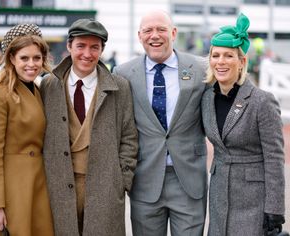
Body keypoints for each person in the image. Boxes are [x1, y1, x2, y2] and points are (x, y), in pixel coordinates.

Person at [40, 18, 138, 236]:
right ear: (69, 46)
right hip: (57, 184)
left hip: (106, 187)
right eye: (80, 46)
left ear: (102, 50)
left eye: (95, 47)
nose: (87, 53)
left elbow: (129, 137)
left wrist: (121, 180)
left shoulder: (119, 87)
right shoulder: (49, 84)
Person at [113, 10, 208, 236]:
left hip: (188, 180)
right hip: (145, 180)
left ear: (173, 33)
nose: (154, 35)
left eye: (161, 29)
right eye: (148, 30)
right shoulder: (124, 73)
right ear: (140, 36)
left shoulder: (200, 69)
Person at [201, 13, 286, 235]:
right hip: (219, 196)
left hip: (253, 201)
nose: (221, 61)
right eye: (216, 55)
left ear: (242, 61)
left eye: (229, 56)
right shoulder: (206, 98)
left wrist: (275, 209)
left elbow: (275, 158)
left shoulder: (261, 101)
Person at [0, 24, 54, 236]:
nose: (32, 64)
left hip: (35, 186)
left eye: (37, 58)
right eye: (24, 58)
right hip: (9, 190)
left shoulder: (35, 88)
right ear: (11, 59)